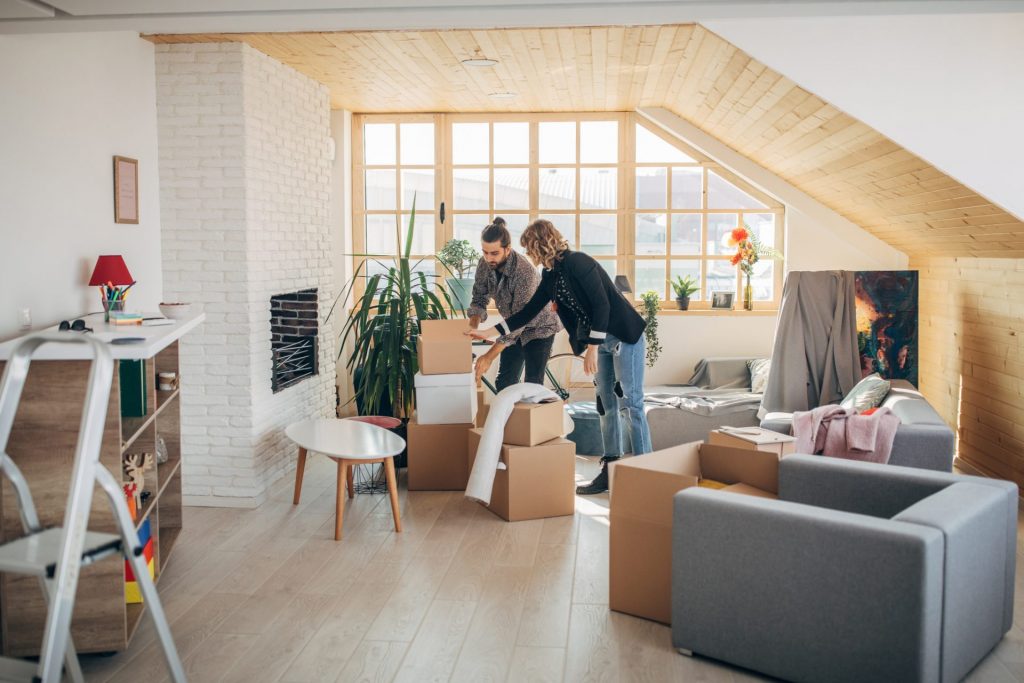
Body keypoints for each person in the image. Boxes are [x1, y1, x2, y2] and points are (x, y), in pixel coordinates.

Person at [467, 219, 652, 495]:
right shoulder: (550, 275)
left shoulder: (579, 262)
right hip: (598, 340)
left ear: (541, 244)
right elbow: (526, 313)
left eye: (530, 248)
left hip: (623, 335)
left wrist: (591, 348)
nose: (528, 254)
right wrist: (489, 331)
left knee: (630, 403)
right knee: (606, 405)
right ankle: (610, 469)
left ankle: (645, 473)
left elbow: (602, 304)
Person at [467, 217, 562, 391]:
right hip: (512, 327)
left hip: (540, 327)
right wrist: (472, 329)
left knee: (532, 385)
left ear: (508, 249)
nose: (488, 259)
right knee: (504, 383)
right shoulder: (484, 264)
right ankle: (513, 418)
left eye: (494, 253)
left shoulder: (524, 272)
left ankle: (535, 417)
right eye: (485, 252)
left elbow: (520, 320)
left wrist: (488, 357)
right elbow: (479, 298)